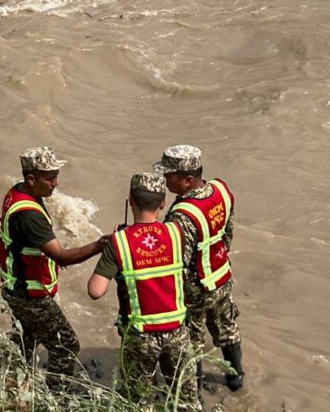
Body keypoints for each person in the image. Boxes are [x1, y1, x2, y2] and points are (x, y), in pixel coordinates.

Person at [87, 173, 201, 412]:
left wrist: (114, 249)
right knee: (186, 401)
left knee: (138, 403)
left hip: (140, 336)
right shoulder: (177, 233)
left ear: (130, 201)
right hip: (177, 332)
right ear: (162, 203)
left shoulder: (120, 242)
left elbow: (95, 291)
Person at [0, 146, 107, 382]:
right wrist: (98, 246)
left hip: (16, 287)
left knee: (25, 341)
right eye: (50, 178)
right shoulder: (30, 215)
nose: (56, 183)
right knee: (65, 347)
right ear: (31, 178)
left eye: (56, 176)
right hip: (29, 295)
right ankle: (57, 397)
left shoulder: (18, 192)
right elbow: (62, 256)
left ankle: (13, 388)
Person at [156, 144, 244, 391]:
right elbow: (228, 233)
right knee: (227, 329)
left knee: (192, 342)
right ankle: (236, 381)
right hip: (222, 275)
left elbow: (178, 264)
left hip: (197, 289)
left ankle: (193, 396)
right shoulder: (221, 190)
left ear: (187, 180)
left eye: (169, 176)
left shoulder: (182, 215)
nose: (165, 180)